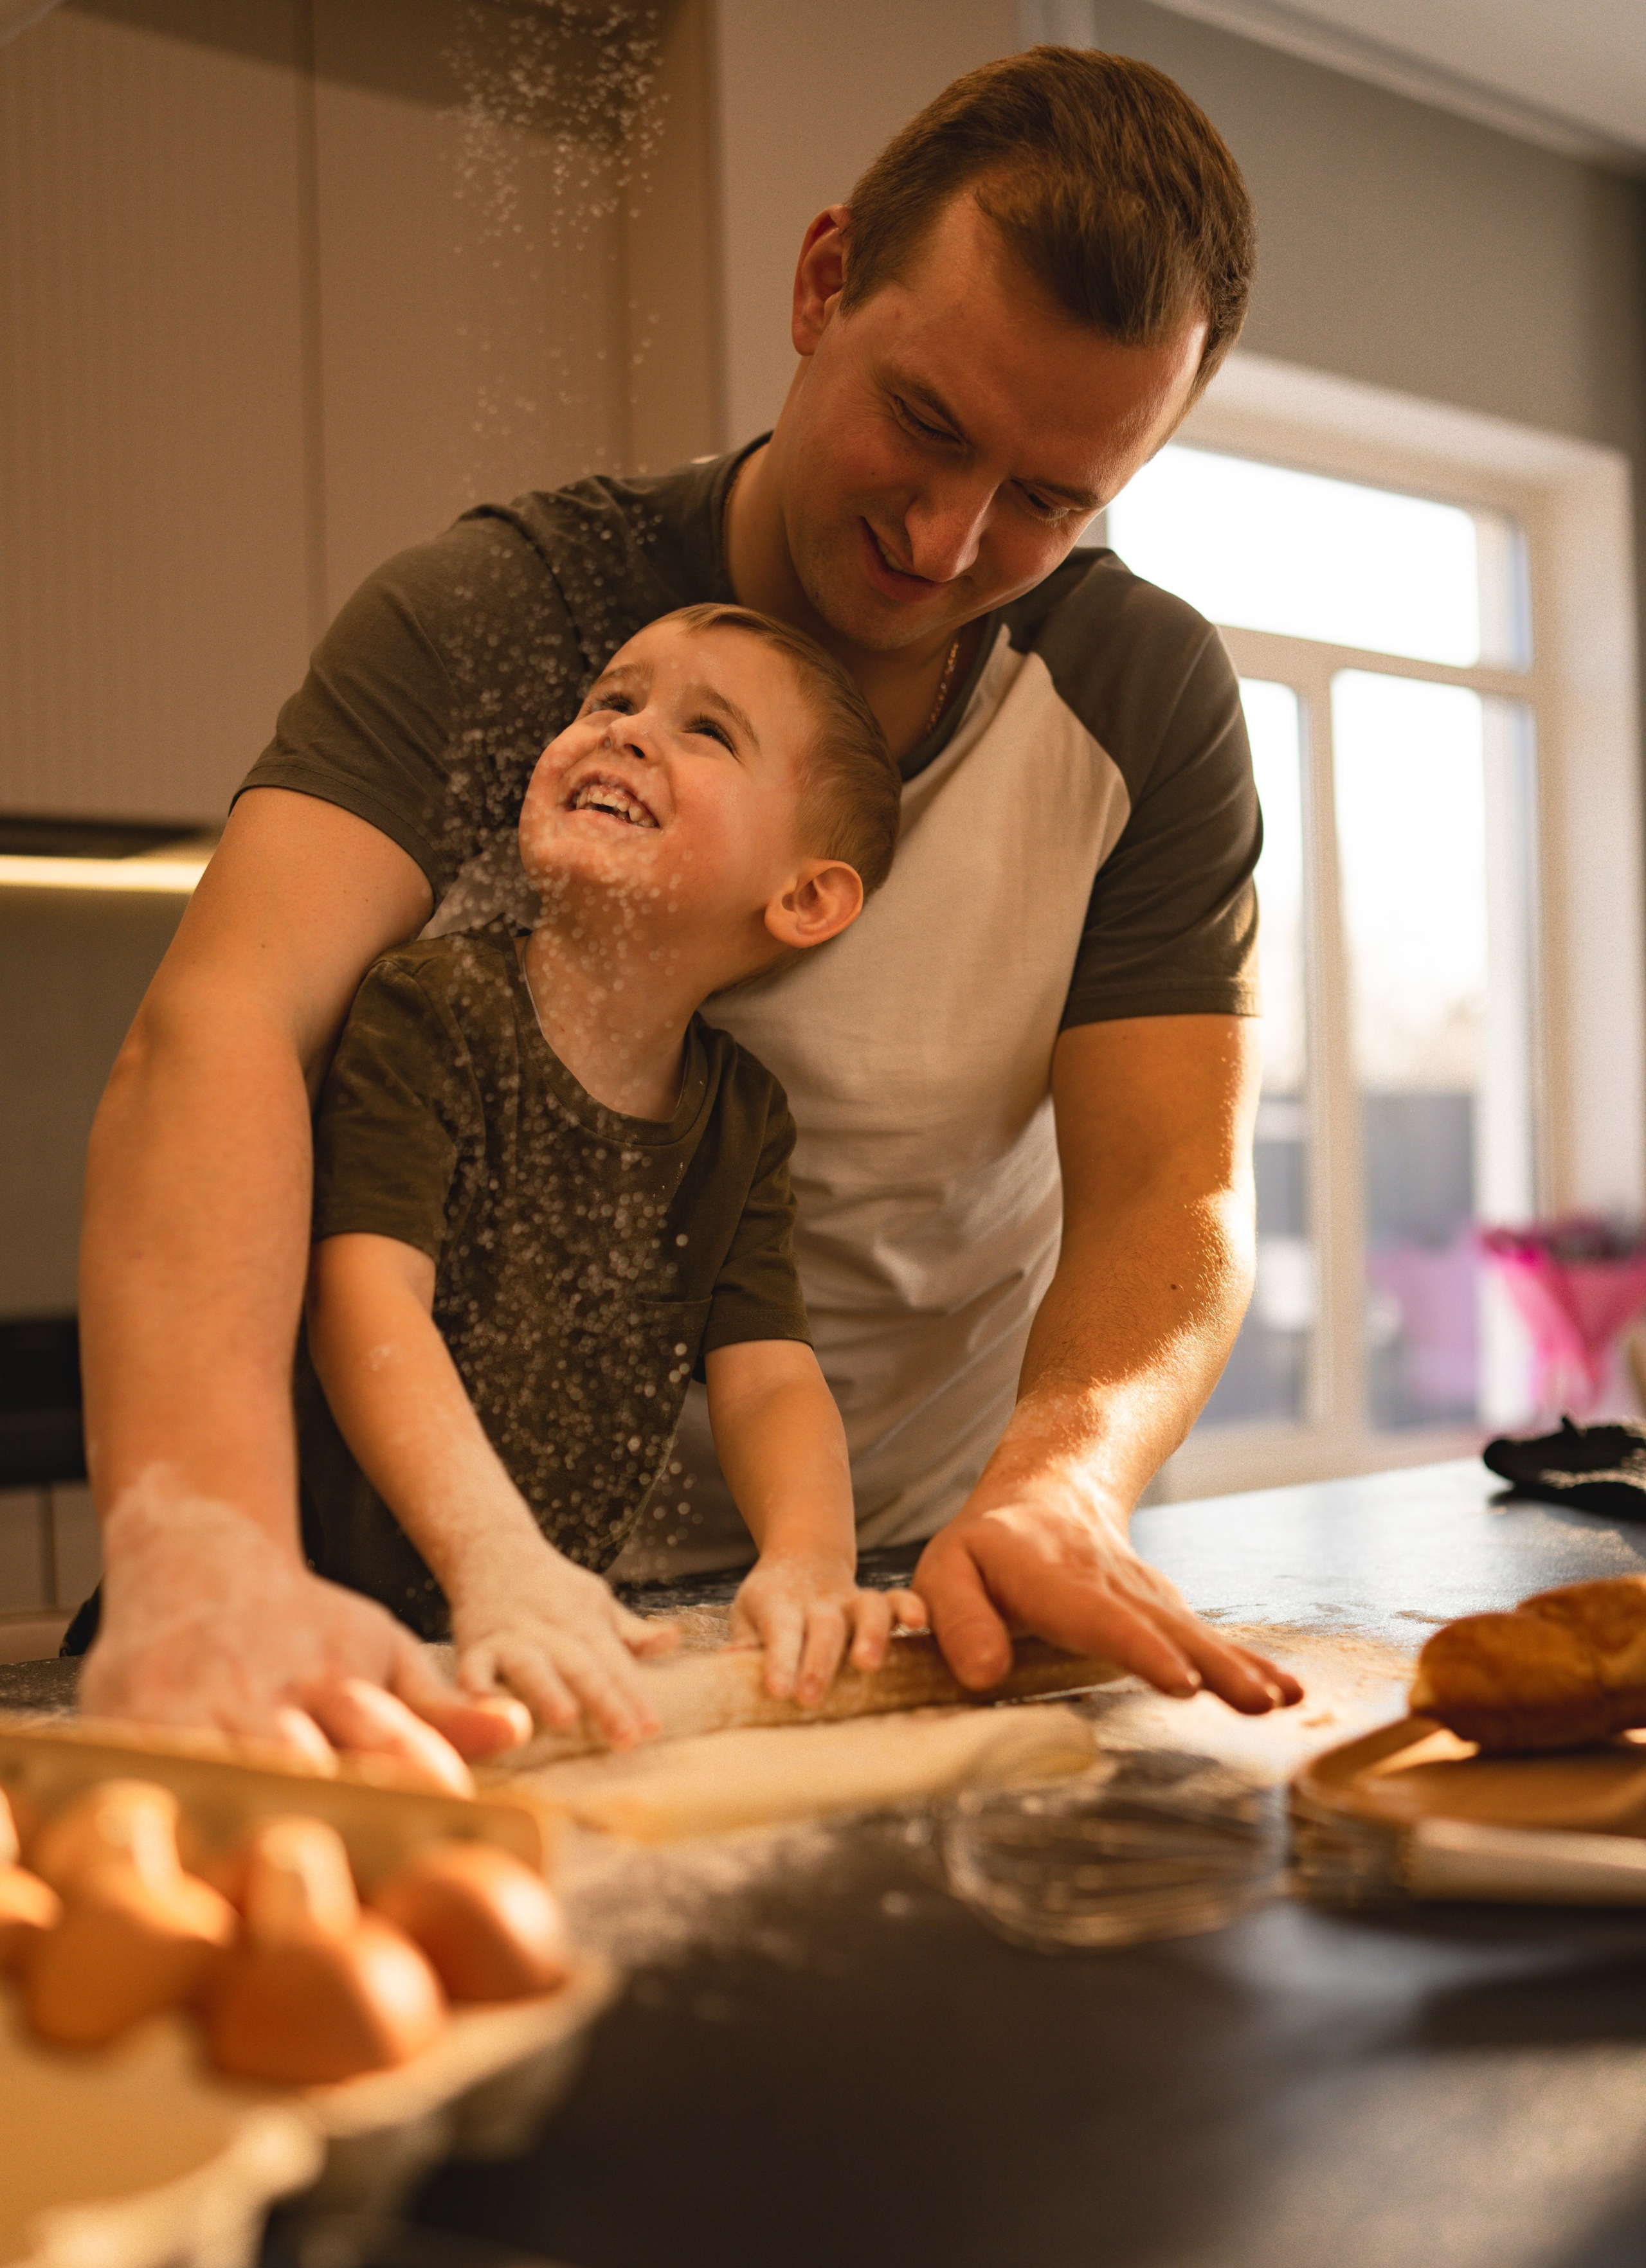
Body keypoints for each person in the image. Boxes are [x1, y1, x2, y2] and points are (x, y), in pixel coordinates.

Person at [77, 44, 1303, 1772]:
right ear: (821, 287)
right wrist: (204, 1542)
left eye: (1050, 500)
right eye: (930, 426)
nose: (950, 542)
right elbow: (219, 1035)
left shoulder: (1142, 697)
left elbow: (1171, 1190)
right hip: (420, 1618)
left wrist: (1063, 1484)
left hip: (868, 1622)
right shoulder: (501, 616)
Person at [296, 603, 923, 1751]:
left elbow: (770, 1381)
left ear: (803, 898)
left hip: (524, 1652)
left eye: (707, 732)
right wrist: (496, 1556)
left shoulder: (742, 1121)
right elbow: (365, 1306)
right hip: (308, 1645)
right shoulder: (432, 1012)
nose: (628, 732)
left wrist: (808, 1562)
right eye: (612, 701)